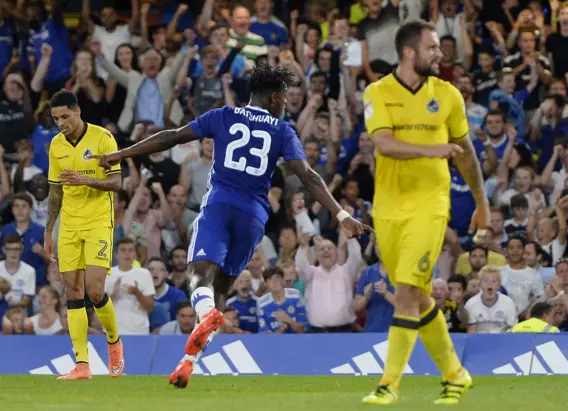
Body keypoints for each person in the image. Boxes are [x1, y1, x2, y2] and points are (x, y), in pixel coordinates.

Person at [95, 64, 371, 388]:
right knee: (222, 288)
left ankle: (205, 318)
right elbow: (308, 176)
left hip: (219, 206)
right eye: (283, 98)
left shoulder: (224, 115)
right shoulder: (282, 131)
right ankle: (188, 362)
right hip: (254, 217)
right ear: (275, 97)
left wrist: (123, 153)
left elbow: (172, 136)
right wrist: (342, 215)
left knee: (198, 273)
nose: (284, 104)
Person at [361, 20, 490, 405]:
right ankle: (455, 374)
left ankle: (388, 385)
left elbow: (465, 153)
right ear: (409, 52)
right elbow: (382, 143)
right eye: (433, 48)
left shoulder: (448, 95)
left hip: (430, 206)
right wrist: (431, 150)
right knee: (417, 297)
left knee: (405, 294)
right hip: (387, 207)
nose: (440, 54)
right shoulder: (378, 91)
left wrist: (482, 204)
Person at [43, 90, 124, 381]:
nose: (60, 123)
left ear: (78, 112)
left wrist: (85, 179)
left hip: (99, 220)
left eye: (65, 116)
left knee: (95, 290)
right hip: (70, 225)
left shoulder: (103, 138)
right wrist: (48, 230)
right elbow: (55, 190)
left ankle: (114, 341)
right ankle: (82, 365)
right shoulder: (55, 145)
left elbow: (117, 183)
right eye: (55, 119)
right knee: (73, 292)